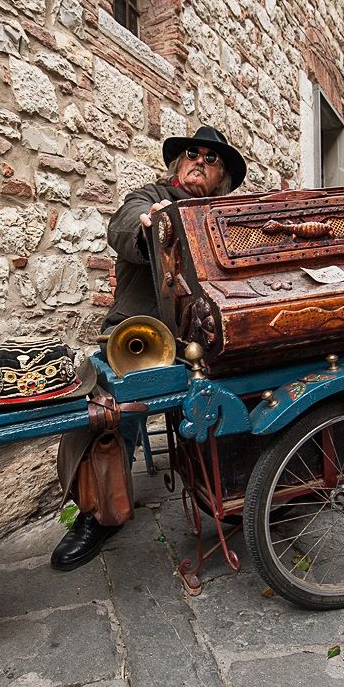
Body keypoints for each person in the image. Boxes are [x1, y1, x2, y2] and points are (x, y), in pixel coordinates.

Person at [50, 125, 247, 571]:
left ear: (224, 178)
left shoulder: (223, 213)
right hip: (138, 333)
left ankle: (232, 489)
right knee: (104, 407)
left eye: (211, 159)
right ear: (178, 163)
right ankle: (97, 514)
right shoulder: (148, 196)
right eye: (192, 154)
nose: (199, 161)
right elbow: (124, 227)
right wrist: (151, 227)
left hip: (202, 338)